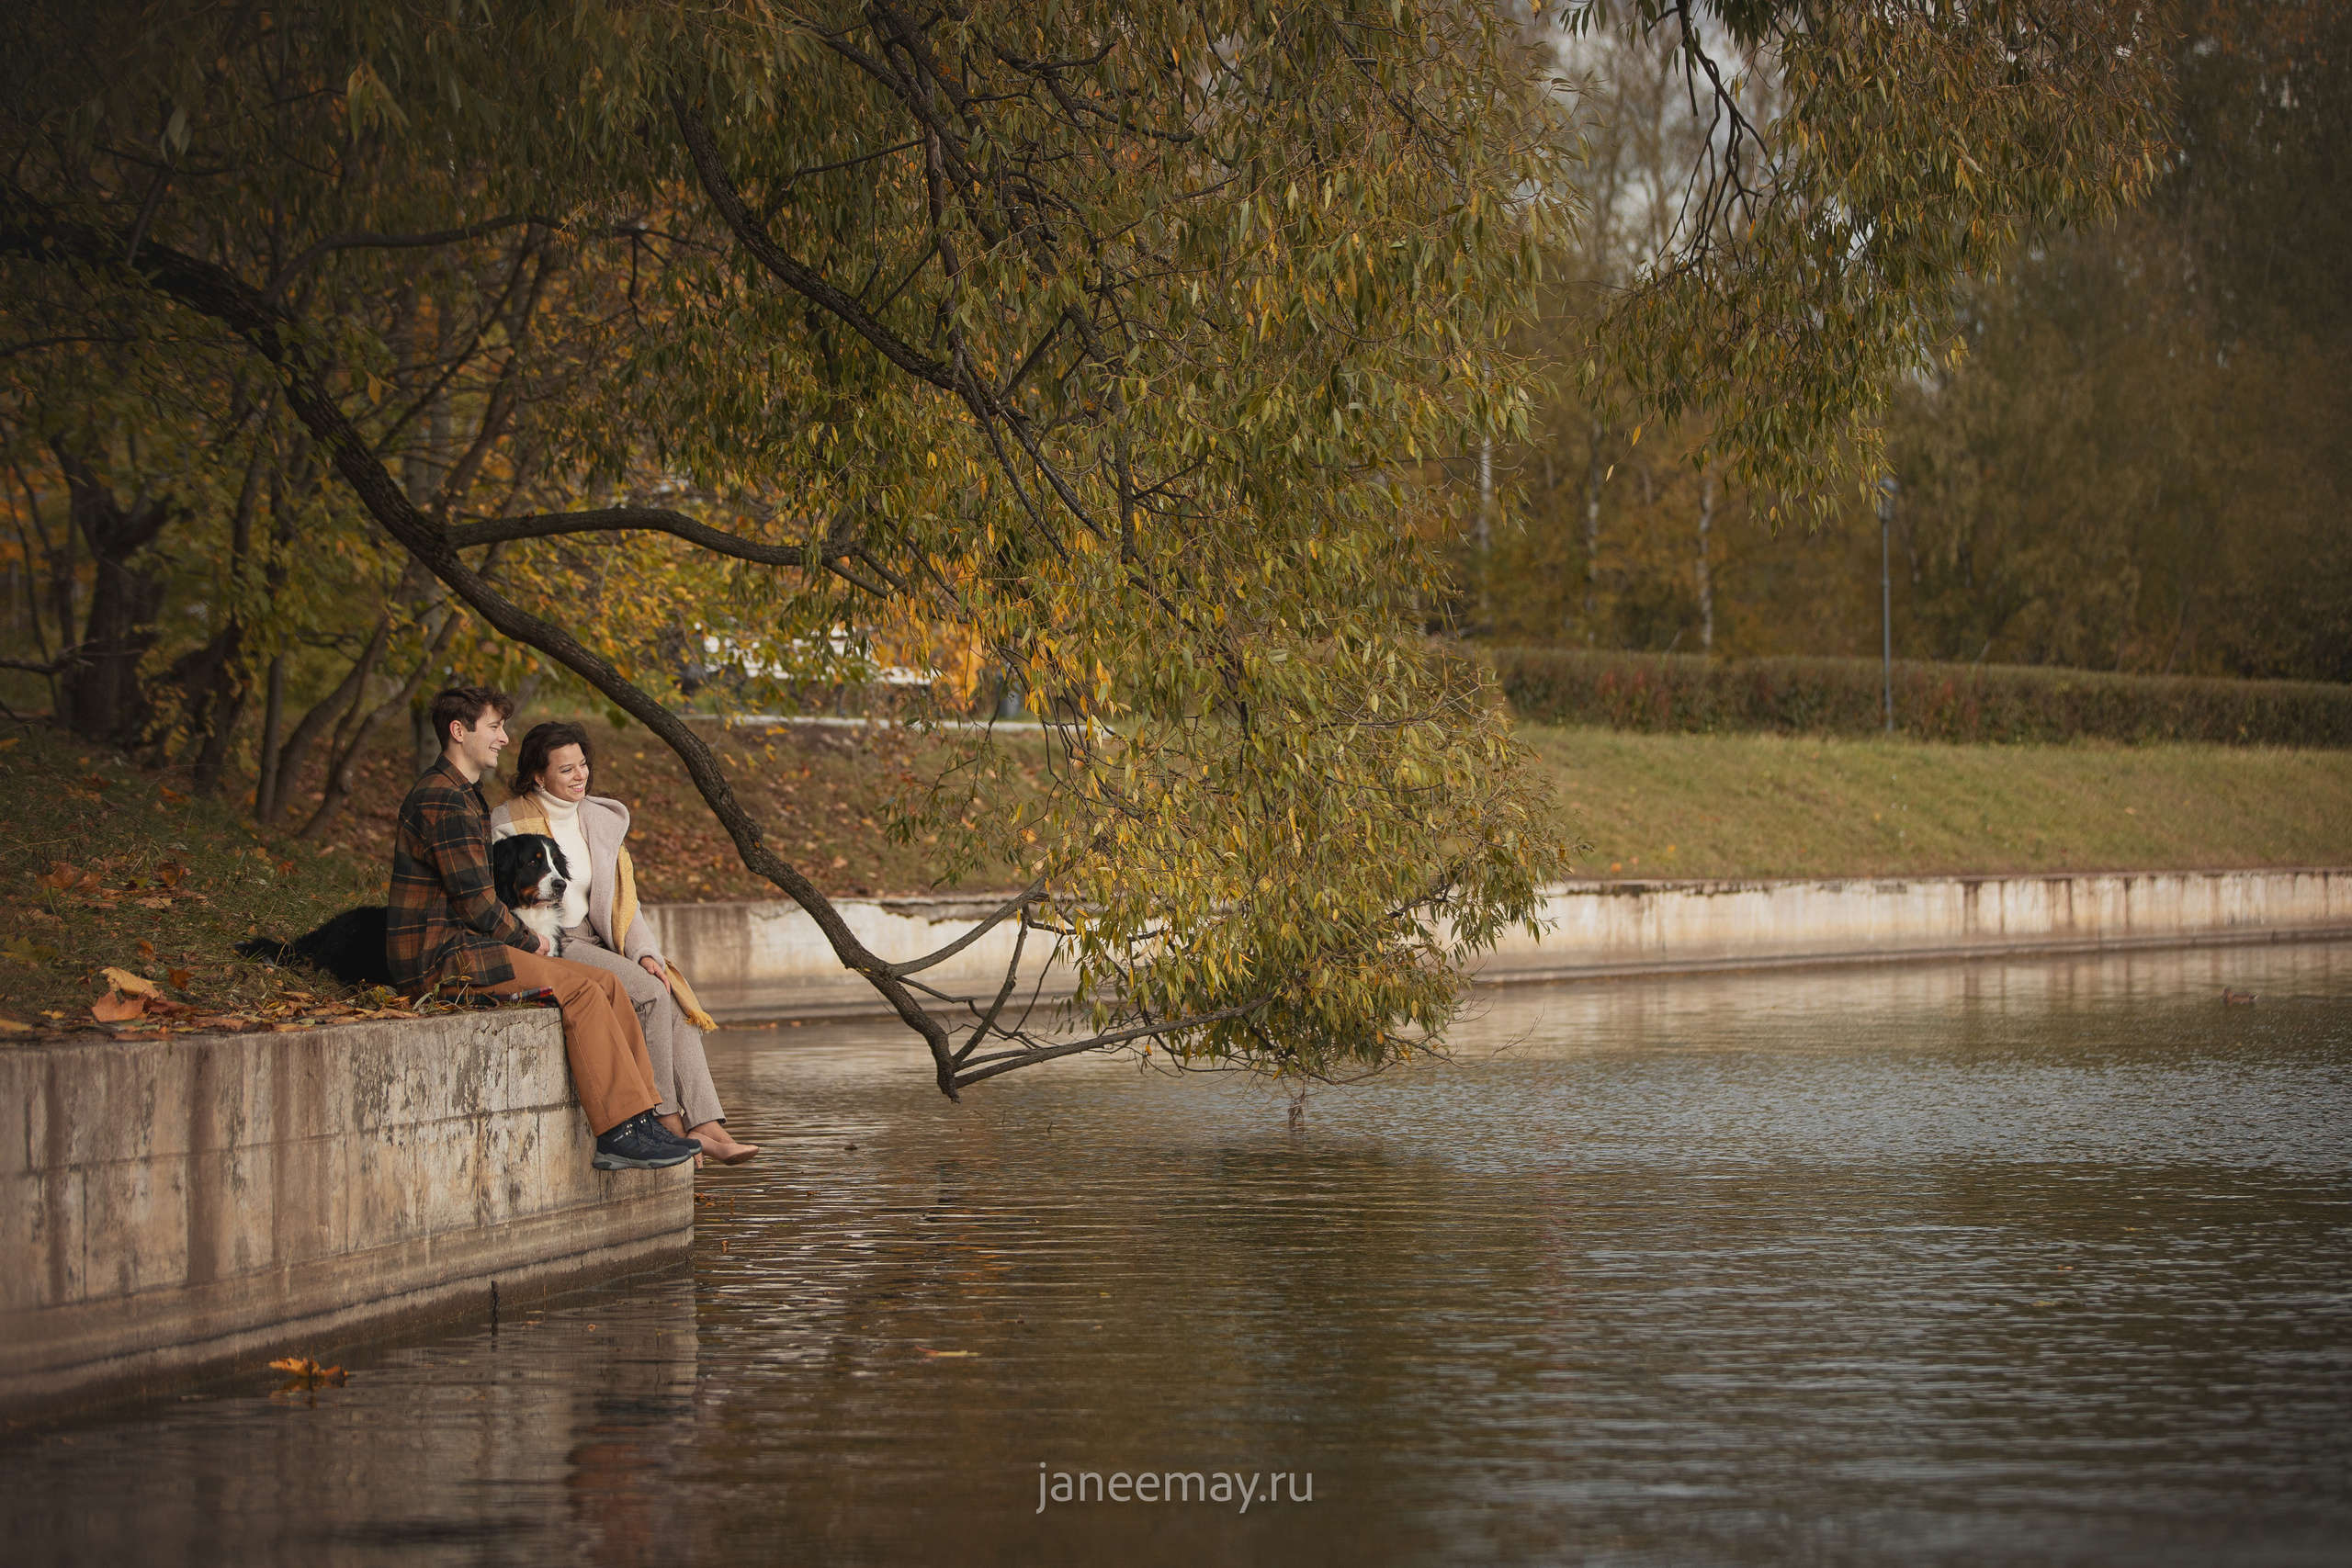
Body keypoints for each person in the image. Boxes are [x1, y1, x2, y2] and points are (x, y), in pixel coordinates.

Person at [388, 685, 697, 1173]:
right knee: (583, 991)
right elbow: (476, 904)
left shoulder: (463, 794)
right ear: (458, 731)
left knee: (610, 984)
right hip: (442, 956)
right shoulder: (443, 799)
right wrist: (530, 940)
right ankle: (617, 1133)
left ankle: (643, 1120)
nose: (503, 738)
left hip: (466, 944)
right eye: (494, 727)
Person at [491, 719, 759, 1166]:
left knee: (669, 991)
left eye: (582, 764)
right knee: (651, 994)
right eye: (566, 769)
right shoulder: (509, 821)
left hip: (601, 936)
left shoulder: (601, 817)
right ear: (538, 775)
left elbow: (623, 900)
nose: (580, 776)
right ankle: (667, 1119)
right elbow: (505, 894)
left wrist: (645, 953)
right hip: (555, 937)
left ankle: (707, 1124)